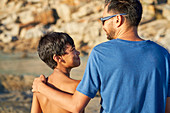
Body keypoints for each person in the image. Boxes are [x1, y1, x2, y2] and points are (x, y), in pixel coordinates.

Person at [32, 0, 170, 113]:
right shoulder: (163, 55)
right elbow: (167, 107)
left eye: (104, 19)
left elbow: (76, 106)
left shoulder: (102, 53)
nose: (103, 25)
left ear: (117, 19)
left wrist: (41, 87)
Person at [31, 32, 84, 113]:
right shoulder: (77, 86)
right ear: (58, 58)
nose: (78, 53)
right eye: (72, 50)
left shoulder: (39, 87)